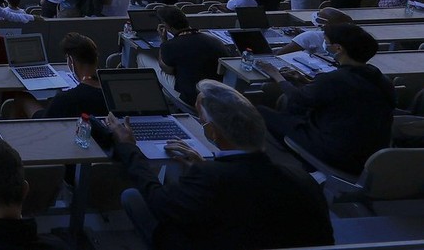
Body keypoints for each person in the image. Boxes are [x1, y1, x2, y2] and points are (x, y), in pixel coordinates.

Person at [106, 79, 332, 250]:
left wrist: (129, 148)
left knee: (132, 197)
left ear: (212, 132)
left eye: (202, 121)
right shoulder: (304, 179)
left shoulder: (210, 177)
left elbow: (158, 202)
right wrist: (204, 167)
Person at [256, 22, 395, 175]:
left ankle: (277, 166)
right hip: (371, 155)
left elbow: (299, 98)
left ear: (338, 48)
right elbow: (344, 96)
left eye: (327, 43)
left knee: (258, 112)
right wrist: (304, 81)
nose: (325, 45)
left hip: (337, 154)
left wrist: (276, 75)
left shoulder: (334, 79)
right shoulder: (381, 78)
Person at [156, 6, 226, 108]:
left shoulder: (170, 45)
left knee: (144, 58)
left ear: (166, 25)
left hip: (191, 99)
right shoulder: (214, 40)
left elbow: (167, 70)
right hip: (216, 96)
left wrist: (163, 42)